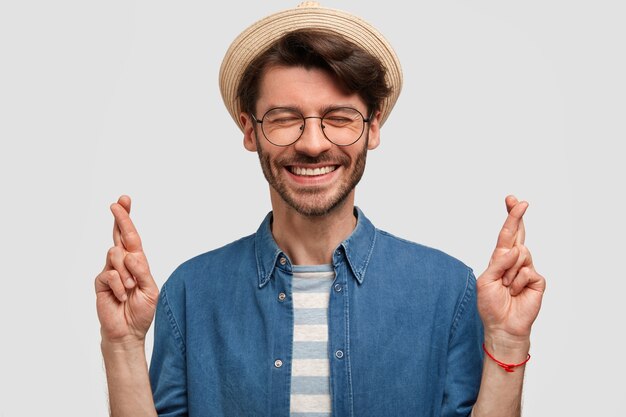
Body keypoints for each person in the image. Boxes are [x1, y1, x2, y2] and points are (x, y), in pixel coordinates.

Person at [95, 3, 546, 416]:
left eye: (339, 118)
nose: (313, 144)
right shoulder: (191, 293)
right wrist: (122, 345)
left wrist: (507, 341)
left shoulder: (449, 291)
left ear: (373, 126)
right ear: (249, 130)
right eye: (285, 119)